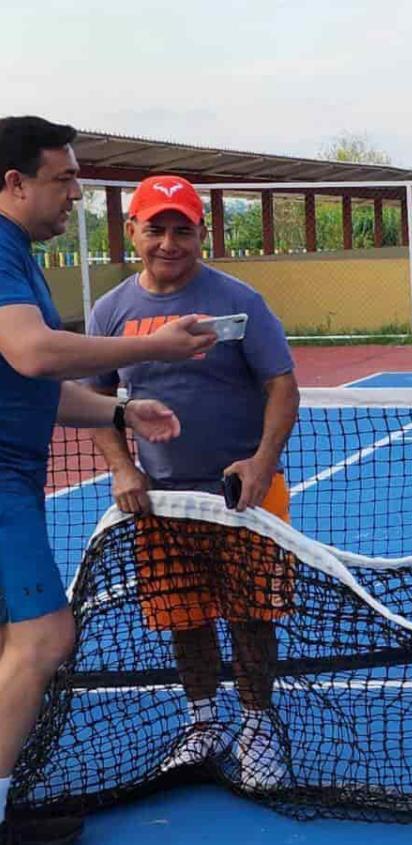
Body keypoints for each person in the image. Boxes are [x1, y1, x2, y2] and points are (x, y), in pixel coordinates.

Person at [0, 116, 214, 844]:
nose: (75, 195)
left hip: (16, 473)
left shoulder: (21, 255)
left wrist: (123, 405)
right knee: (44, 635)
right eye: (63, 180)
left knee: (13, 640)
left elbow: (39, 388)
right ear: (14, 182)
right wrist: (153, 345)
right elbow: (32, 354)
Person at [86, 175, 300, 792]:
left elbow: (281, 388)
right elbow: (98, 398)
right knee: (184, 619)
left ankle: (258, 728)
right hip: (161, 502)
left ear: (202, 232)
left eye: (183, 228)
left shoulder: (241, 301)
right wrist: (124, 468)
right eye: (156, 228)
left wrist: (261, 463)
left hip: (245, 498)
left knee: (253, 618)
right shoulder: (111, 311)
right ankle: (202, 723)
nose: (169, 242)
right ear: (131, 232)